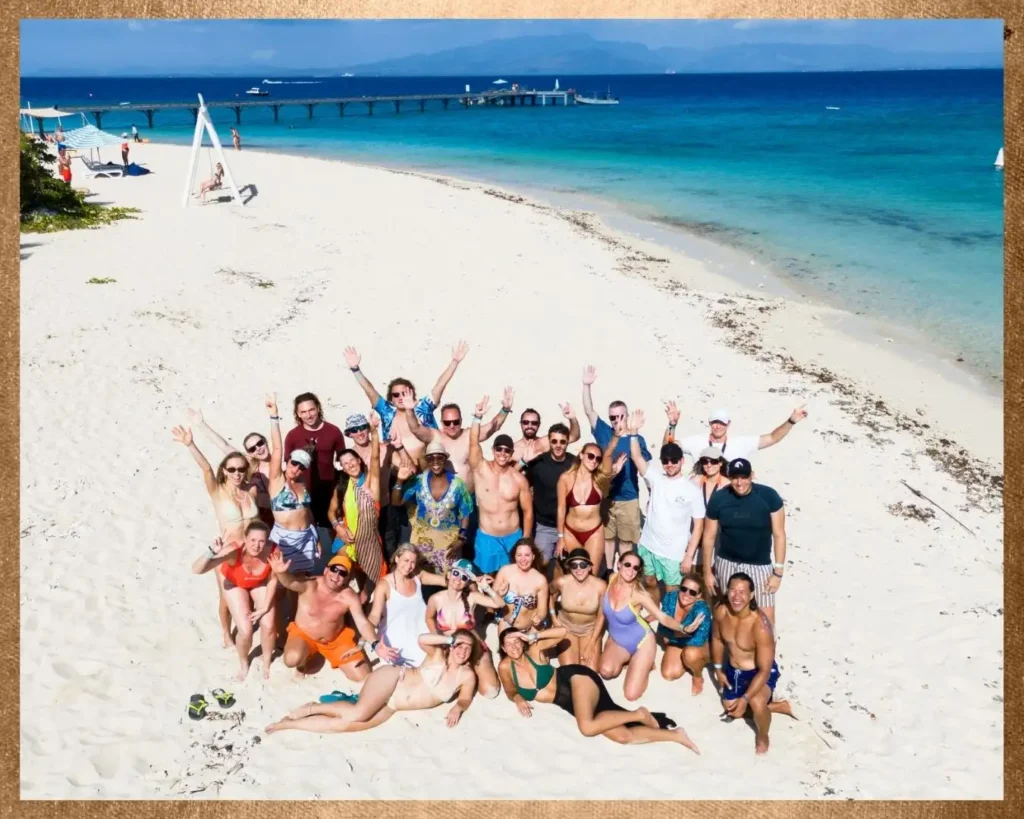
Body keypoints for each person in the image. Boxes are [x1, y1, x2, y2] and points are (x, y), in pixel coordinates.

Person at [497, 627, 698, 752]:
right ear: (503, 649)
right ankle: (676, 735)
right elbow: (509, 690)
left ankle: (640, 714)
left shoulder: (534, 650)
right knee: (623, 737)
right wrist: (517, 699)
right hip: (568, 701)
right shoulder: (506, 667)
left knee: (587, 728)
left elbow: (562, 632)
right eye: (508, 644)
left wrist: (529, 635)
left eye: (516, 642)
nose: (513, 647)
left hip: (576, 679)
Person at [266, 630, 478, 734]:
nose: (463, 650)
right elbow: (422, 639)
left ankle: (290, 724)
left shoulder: (466, 675)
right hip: (393, 679)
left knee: (346, 725)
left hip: (393, 705)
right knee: (358, 713)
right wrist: (450, 639)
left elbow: (466, 697)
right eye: (459, 645)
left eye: (468, 647)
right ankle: (311, 708)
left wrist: (458, 708)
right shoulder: (438, 656)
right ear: (450, 646)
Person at [171, 424, 258, 646]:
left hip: (252, 550)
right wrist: (190, 444)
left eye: (240, 469)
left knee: (251, 590)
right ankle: (226, 634)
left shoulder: (252, 489)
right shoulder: (217, 491)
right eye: (231, 470)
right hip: (228, 551)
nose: (237, 473)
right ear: (225, 471)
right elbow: (207, 469)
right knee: (225, 599)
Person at [271, 551, 397, 681]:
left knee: (362, 675)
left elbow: (362, 622)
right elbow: (290, 583)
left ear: (347, 579)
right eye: (334, 569)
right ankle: (303, 663)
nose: (336, 575)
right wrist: (281, 573)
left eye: (342, 573)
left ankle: (325, 653)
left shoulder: (348, 596)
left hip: (336, 640)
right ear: (326, 570)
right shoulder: (310, 584)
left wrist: (375, 644)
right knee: (292, 659)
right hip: (304, 635)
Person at [626, 410, 705, 605]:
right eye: (665, 461)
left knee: (672, 591)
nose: (669, 464)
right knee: (650, 581)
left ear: (682, 461)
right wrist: (634, 432)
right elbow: (636, 457)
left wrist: (689, 556)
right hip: (648, 544)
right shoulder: (656, 479)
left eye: (674, 461)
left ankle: (670, 625)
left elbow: (698, 526)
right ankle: (655, 614)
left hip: (674, 552)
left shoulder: (691, 490)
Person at [343, 341, 469, 463]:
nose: (400, 397)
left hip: (428, 470)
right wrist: (355, 370)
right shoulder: (387, 412)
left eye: (404, 393)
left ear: (412, 394)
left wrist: (455, 362)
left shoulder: (423, 408)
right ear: (391, 399)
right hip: (398, 473)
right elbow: (370, 391)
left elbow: (440, 385)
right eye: (396, 395)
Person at [711, 572, 794, 754]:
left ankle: (763, 735)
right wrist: (718, 668)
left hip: (758, 672)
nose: (736, 596)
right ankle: (777, 707)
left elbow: (764, 669)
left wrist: (746, 698)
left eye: (742, 592)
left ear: (751, 596)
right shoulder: (721, 611)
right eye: (732, 590)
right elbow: (717, 639)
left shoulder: (760, 626)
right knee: (732, 709)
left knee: (756, 702)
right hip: (734, 671)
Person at [581, 365, 651, 569]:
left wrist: (633, 434)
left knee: (627, 542)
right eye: (612, 417)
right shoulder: (604, 432)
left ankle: (625, 572)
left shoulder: (636, 438)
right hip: (607, 497)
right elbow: (588, 410)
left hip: (629, 498)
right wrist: (586, 386)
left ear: (626, 416)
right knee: (608, 539)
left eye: (620, 416)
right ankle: (610, 571)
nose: (616, 420)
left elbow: (644, 464)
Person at [702, 458, 786, 624]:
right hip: (727, 563)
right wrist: (707, 572)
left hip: (760, 566)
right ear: (729, 477)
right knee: (729, 614)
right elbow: (709, 536)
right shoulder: (719, 499)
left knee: (765, 619)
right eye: (734, 477)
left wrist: (778, 572)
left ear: (752, 475)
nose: (739, 483)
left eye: (744, 477)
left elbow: (779, 534)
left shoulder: (769, 497)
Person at [598, 551, 690, 701]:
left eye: (636, 568)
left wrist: (683, 627)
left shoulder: (639, 593)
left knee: (631, 695)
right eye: (627, 565)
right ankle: (633, 660)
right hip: (618, 639)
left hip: (642, 641)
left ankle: (646, 664)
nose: (631, 570)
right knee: (606, 671)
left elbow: (661, 617)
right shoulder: (611, 579)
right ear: (618, 564)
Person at [191, 523, 279, 681]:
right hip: (234, 583)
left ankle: (266, 662)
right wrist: (211, 552)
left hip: (258, 582)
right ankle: (244, 663)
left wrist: (265, 606)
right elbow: (197, 570)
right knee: (245, 631)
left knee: (269, 624)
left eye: (261, 541)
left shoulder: (273, 551)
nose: (257, 545)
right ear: (245, 538)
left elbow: (273, 579)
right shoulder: (234, 551)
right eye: (252, 540)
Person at [402, 388, 513, 493]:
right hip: (443, 500)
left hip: (467, 498)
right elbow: (415, 428)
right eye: (447, 422)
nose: (452, 425)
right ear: (441, 422)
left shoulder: (470, 435)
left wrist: (505, 410)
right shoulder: (435, 436)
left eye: (455, 422)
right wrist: (409, 410)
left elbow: (493, 427)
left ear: (461, 420)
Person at [467, 396, 533, 574]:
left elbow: (527, 511)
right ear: (493, 450)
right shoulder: (481, 470)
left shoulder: (519, 479)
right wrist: (477, 418)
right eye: (499, 449)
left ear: (512, 453)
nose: (502, 453)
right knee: (486, 581)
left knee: (513, 583)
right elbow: (473, 443)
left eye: (507, 450)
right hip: (487, 538)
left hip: (513, 538)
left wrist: (525, 540)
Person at [326, 413, 391, 589]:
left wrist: (375, 432)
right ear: (343, 469)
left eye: (352, 461)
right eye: (345, 464)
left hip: (369, 542)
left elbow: (376, 458)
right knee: (340, 576)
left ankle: (366, 610)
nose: (350, 465)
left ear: (360, 462)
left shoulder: (371, 483)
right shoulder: (341, 486)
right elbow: (331, 512)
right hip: (347, 540)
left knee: (373, 586)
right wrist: (338, 527)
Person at [426, 558, 504, 697]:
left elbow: (499, 604)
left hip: (473, 646)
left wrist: (486, 588)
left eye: (464, 577)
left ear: (468, 582)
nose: (458, 579)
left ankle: (475, 667)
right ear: (449, 574)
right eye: (456, 573)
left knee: (490, 691)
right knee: (439, 687)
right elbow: (429, 617)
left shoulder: (472, 597)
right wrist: (436, 635)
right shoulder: (435, 599)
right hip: (449, 647)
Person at [393, 440, 474, 574]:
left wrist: (461, 539)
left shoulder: (458, 484)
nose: (435, 461)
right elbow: (396, 502)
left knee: (448, 581)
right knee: (420, 578)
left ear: (444, 459)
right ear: (427, 460)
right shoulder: (419, 481)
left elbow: (465, 513)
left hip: (448, 545)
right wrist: (400, 480)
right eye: (431, 458)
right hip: (421, 542)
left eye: (439, 457)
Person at [185, 407, 274, 526]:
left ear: (265, 442)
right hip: (259, 514)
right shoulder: (249, 465)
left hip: (283, 513)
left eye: (260, 443)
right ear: (249, 453)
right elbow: (224, 445)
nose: (258, 449)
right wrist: (201, 424)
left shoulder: (283, 462)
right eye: (252, 449)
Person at [284, 392, 348, 552]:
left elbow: (343, 460)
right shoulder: (293, 436)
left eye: (311, 410)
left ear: (318, 408)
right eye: (303, 412)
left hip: (328, 492)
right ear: (297, 414)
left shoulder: (333, 431)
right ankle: (305, 571)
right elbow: (289, 466)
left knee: (337, 533)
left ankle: (339, 568)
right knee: (303, 533)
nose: (308, 415)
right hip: (302, 494)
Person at [343, 412, 412, 558]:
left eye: (362, 427)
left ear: (368, 428)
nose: (359, 432)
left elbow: (409, 469)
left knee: (390, 551)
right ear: (349, 434)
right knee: (365, 556)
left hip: (385, 509)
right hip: (361, 514)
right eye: (354, 430)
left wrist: (399, 447)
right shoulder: (349, 458)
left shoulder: (385, 449)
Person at [265, 395, 320, 576]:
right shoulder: (277, 480)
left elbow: (307, 512)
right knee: (280, 583)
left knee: (302, 583)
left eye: (301, 466)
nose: (296, 468)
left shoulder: (302, 483)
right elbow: (277, 449)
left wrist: (315, 536)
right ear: (288, 461)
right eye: (293, 463)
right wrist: (274, 416)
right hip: (284, 540)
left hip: (306, 539)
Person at [367, 545, 447, 667]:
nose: (409, 566)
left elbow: (447, 581)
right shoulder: (384, 584)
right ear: (397, 559)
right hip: (397, 639)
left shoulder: (418, 576)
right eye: (406, 560)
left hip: (422, 634)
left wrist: (472, 579)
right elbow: (374, 615)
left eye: (413, 562)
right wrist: (364, 641)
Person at [556, 435, 620, 575]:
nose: (594, 461)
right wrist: (560, 537)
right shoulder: (566, 478)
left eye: (597, 458)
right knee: (573, 574)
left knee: (591, 575)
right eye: (590, 456)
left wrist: (615, 436)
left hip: (594, 532)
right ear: (581, 455)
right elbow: (561, 509)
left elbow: (608, 454)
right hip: (571, 532)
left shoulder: (600, 479)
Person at [670, 403, 808, 467]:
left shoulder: (741, 443)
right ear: (709, 423)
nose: (718, 426)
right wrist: (672, 425)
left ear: (728, 424)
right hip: (702, 503)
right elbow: (668, 449)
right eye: (714, 422)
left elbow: (772, 437)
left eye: (721, 423)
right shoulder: (696, 441)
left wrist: (791, 421)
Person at [524, 423, 576, 572]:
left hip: (568, 527)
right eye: (554, 441)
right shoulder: (538, 463)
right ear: (549, 441)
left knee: (567, 568)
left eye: (562, 441)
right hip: (543, 526)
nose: (558, 445)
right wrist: (523, 462)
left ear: (567, 442)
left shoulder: (574, 464)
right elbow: (518, 482)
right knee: (540, 566)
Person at [549, 548, 606, 671]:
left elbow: (601, 616)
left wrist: (592, 643)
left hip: (589, 630)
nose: (578, 569)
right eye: (574, 565)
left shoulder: (600, 586)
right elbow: (549, 595)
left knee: (590, 671)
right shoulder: (562, 582)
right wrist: (554, 618)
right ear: (569, 567)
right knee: (570, 669)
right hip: (567, 628)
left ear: (590, 567)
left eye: (583, 564)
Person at [657, 572, 712, 695]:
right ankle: (687, 661)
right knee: (669, 674)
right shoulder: (670, 598)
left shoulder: (702, 611)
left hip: (701, 644)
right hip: (682, 639)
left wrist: (673, 634)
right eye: (684, 589)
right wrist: (684, 631)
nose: (686, 594)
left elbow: (698, 640)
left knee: (690, 654)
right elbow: (661, 629)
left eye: (692, 592)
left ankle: (697, 675)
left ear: (699, 595)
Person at [494, 538, 549, 630]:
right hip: (506, 624)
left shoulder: (540, 580)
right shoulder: (504, 571)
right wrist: (498, 593)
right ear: (515, 556)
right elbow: (492, 599)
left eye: (527, 555)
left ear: (533, 556)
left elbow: (542, 610)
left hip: (531, 627)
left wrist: (539, 618)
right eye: (519, 555)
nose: (523, 559)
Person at [513, 405, 581, 467]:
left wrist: (572, 418)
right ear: (521, 423)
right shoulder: (514, 449)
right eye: (525, 422)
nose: (530, 426)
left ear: (539, 424)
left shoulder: (545, 442)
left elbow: (574, 436)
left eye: (534, 423)